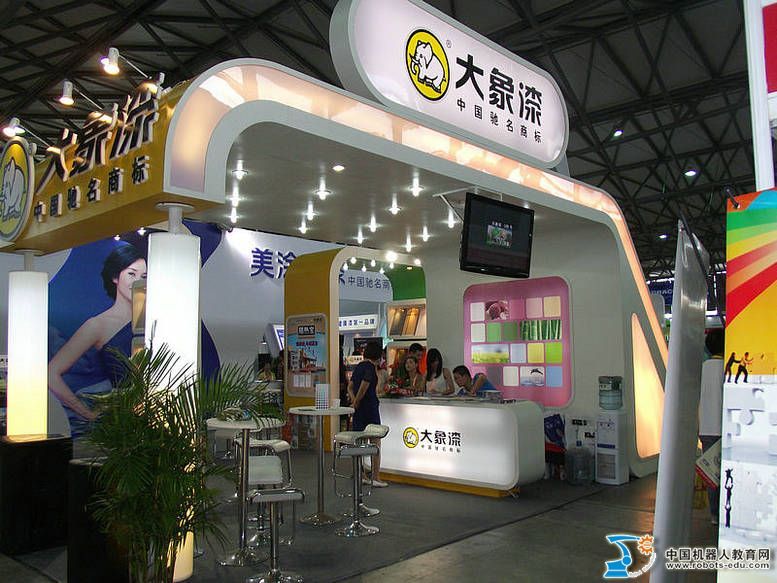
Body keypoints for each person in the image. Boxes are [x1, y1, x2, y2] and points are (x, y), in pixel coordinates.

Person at [48, 243, 147, 433]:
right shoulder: (98, 325)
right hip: (117, 423)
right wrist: (87, 414)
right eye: (131, 274)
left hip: (149, 420)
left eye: (144, 277)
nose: (138, 282)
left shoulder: (152, 320)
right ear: (115, 277)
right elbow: (52, 373)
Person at [347, 341, 387, 487]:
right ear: (378, 355)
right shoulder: (370, 367)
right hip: (370, 408)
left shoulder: (359, 366)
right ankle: (375, 477)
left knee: (360, 442)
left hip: (359, 411)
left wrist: (354, 401)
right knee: (375, 441)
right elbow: (365, 385)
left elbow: (350, 387)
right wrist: (357, 400)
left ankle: (361, 474)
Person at [698, 328, 724, 524]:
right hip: (722, 427)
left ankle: (714, 514)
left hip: (705, 427)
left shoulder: (703, 368)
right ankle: (724, 511)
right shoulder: (726, 368)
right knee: (725, 472)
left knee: (711, 472)